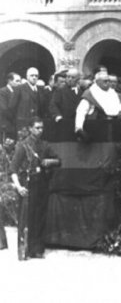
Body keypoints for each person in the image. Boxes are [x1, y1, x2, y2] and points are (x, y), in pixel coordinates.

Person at [9, 117, 59, 259]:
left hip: (42, 185)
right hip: (27, 186)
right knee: (26, 218)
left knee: (40, 217)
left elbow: (58, 160)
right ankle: (25, 250)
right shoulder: (23, 146)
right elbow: (13, 169)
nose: (40, 130)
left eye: (42, 128)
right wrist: (19, 187)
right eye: (37, 128)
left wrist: (49, 161)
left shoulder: (45, 145)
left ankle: (37, 250)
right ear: (30, 128)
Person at [75, 69, 121, 136]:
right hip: (96, 128)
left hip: (114, 127)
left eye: (109, 81)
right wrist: (79, 128)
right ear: (97, 82)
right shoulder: (90, 93)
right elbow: (81, 111)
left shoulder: (113, 93)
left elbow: (120, 106)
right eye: (105, 81)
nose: (108, 83)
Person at [0, 72, 20, 140]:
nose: (19, 83)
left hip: (16, 125)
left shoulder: (18, 91)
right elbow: (4, 109)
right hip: (7, 125)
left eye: (20, 81)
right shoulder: (2, 92)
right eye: (17, 81)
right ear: (10, 81)